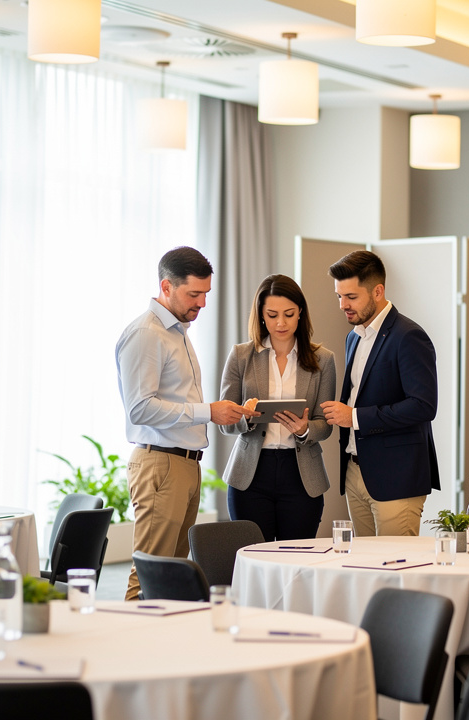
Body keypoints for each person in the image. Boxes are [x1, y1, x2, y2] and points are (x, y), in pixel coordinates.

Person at [115, 247, 254, 601]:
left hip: (184, 464)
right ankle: (129, 649)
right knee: (149, 570)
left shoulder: (178, 332)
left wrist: (222, 411)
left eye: (206, 293)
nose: (202, 303)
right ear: (166, 287)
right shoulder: (147, 334)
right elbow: (140, 409)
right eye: (194, 294)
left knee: (172, 574)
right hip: (160, 463)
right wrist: (208, 412)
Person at [320, 250, 439, 537]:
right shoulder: (353, 337)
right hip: (355, 473)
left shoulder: (409, 336)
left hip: (396, 478)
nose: (342, 305)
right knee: (365, 570)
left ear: (378, 291)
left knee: (395, 570)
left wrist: (355, 417)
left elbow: (423, 406)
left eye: (351, 297)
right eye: (339, 296)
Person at [218, 274, 338, 542]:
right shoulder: (240, 356)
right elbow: (225, 422)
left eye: (289, 314)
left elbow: (325, 423)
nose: (281, 323)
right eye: (272, 315)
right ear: (261, 315)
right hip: (250, 474)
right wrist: (246, 418)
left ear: (300, 314)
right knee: (253, 558)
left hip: (301, 475)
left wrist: (306, 429)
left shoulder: (323, 360)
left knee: (296, 560)